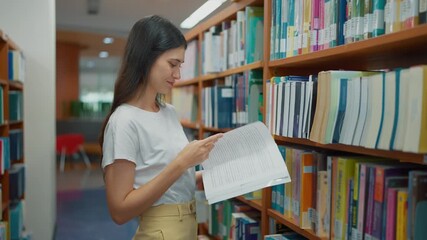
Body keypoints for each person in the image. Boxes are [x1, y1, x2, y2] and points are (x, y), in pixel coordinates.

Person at [99, 15, 223, 240]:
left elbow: (160, 177)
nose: (178, 75)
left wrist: (199, 177)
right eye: (172, 64)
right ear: (146, 59)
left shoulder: (169, 112)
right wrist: (182, 163)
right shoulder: (124, 121)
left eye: (180, 65)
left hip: (188, 226)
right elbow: (119, 211)